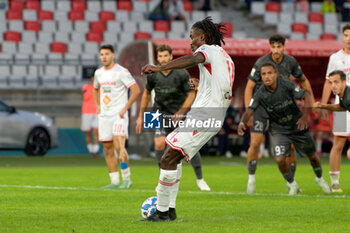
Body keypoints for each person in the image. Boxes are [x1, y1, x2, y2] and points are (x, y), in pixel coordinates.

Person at [141, 17, 234, 221]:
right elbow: (224, 90)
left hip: (203, 115)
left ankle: (162, 212)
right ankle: (170, 210)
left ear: (203, 36)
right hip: (210, 115)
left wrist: (159, 68)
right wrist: (200, 85)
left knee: (167, 158)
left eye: (192, 37)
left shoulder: (207, 50)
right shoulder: (226, 58)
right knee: (175, 158)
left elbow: (193, 59)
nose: (190, 41)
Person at [238, 62, 331, 195]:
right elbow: (250, 110)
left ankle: (320, 179)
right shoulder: (260, 93)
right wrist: (242, 123)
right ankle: (292, 184)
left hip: (297, 125)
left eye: (269, 73)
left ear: (276, 74)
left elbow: (305, 95)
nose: (267, 76)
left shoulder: (286, 85)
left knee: (312, 156)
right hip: (278, 130)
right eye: (263, 74)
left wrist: (305, 116)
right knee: (280, 159)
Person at [244, 34, 315, 194]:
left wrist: (311, 103)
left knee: (290, 146)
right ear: (270, 47)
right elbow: (249, 88)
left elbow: (303, 80)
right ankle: (251, 180)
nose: (276, 50)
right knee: (255, 142)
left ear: (284, 47)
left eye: (279, 46)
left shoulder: (291, 62)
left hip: (283, 110)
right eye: (273, 46)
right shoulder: (261, 63)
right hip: (262, 108)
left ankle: (292, 183)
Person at [136, 44, 211, 191]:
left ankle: (200, 179)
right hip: (158, 112)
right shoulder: (153, 74)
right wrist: (141, 115)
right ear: (157, 58)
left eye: (166, 56)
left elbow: (191, 94)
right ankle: (163, 179)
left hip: (178, 112)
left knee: (189, 145)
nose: (163, 59)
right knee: (158, 143)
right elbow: (146, 94)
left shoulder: (181, 73)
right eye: (160, 56)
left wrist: (182, 111)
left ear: (171, 57)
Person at [92, 44, 140, 189]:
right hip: (104, 115)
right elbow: (95, 89)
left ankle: (127, 179)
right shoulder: (98, 73)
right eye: (101, 54)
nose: (104, 57)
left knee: (119, 146)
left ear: (113, 55)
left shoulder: (121, 71)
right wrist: (97, 105)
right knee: (107, 147)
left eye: (106, 54)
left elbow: (136, 90)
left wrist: (125, 108)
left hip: (119, 115)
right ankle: (114, 181)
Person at [320, 24, 350, 192]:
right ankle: (335, 182)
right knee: (338, 144)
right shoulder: (335, 58)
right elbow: (328, 82)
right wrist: (325, 106)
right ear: (342, 37)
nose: (349, 38)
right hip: (342, 106)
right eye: (346, 35)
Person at [315, 71, 350, 158]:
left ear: (343, 82)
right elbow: (342, 107)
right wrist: (324, 106)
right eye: (330, 83)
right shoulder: (344, 94)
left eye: (336, 82)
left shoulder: (348, 96)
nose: (333, 86)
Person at [81, 75, 99, 157]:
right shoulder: (86, 87)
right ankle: (91, 150)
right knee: (87, 132)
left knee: (96, 131)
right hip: (86, 112)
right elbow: (85, 97)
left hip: (97, 112)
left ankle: (96, 151)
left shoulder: (101, 88)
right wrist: (93, 89)